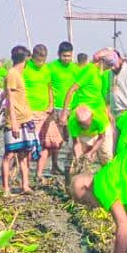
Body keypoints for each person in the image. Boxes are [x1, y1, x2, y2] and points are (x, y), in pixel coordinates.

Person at [1, 45, 38, 195]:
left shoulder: (19, 74)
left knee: (24, 154)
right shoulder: (12, 74)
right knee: (9, 154)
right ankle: (6, 188)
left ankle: (25, 185)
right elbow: (9, 99)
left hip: (25, 119)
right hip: (14, 120)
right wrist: (14, 123)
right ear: (25, 59)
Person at [24, 44, 57, 181]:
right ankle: (22, 173)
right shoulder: (25, 68)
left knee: (49, 144)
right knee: (28, 146)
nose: (41, 63)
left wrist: (51, 104)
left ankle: (38, 173)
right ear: (33, 56)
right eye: (39, 60)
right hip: (29, 112)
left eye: (43, 60)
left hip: (44, 112)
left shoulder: (47, 69)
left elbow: (49, 88)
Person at [48, 41, 81, 175]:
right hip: (56, 108)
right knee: (57, 140)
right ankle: (54, 165)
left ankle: (71, 166)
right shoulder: (51, 67)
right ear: (58, 54)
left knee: (72, 139)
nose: (67, 58)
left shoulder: (76, 69)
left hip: (72, 109)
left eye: (69, 56)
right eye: (64, 56)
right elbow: (47, 86)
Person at [68, 104, 112, 170]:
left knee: (106, 154)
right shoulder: (72, 122)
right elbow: (76, 143)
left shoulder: (100, 119)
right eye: (81, 124)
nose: (83, 126)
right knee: (79, 158)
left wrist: (91, 152)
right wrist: (78, 157)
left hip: (102, 131)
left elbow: (101, 138)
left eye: (85, 124)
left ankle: (108, 171)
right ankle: (81, 171)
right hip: (83, 134)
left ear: (92, 117)